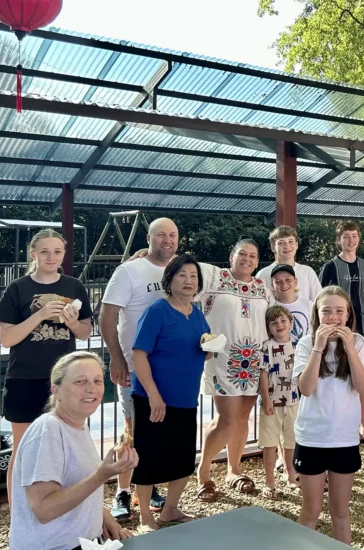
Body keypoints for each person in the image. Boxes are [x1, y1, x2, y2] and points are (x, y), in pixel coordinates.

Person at [0, 229, 92, 505]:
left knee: (65, 445)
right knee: (22, 450)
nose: (51, 257)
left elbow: (84, 332)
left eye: (57, 251)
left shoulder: (74, 287)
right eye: (45, 251)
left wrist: (71, 322)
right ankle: (18, 514)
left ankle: (62, 505)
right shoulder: (18, 289)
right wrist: (40, 314)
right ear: (33, 254)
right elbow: (6, 338)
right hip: (25, 377)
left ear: (63, 254)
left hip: (64, 382)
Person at [8, 351, 136, 550]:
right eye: (80, 381)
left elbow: (73, 485)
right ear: (55, 390)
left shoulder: (76, 425)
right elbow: (44, 509)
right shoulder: (48, 431)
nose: (91, 389)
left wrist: (103, 515)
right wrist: (102, 475)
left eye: (97, 381)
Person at [100, 217, 177, 521]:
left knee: (158, 428)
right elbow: (107, 316)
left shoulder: (181, 270)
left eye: (172, 235)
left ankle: (146, 483)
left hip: (168, 369)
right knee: (132, 429)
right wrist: (115, 357)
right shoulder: (129, 270)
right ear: (148, 238)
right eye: (160, 235)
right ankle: (122, 489)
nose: (166, 241)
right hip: (133, 367)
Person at [130, 254, 212, 530]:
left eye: (193, 277)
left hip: (186, 398)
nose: (189, 281)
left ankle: (170, 509)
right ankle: (145, 516)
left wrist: (210, 348)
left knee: (183, 457)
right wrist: (153, 394)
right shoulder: (157, 311)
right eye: (182, 275)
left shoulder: (197, 312)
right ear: (170, 279)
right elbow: (139, 354)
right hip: (151, 398)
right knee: (149, 457)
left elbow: (204, 346)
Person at [293, 287, 364, 545]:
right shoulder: (307, 343)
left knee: (340, 511)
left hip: (344, 438)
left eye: (339, 311)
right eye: (326, 311)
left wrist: (350, 347)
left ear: (348, 314)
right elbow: (306, 389)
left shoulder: (359, 343)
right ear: (317, 315)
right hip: (312, 438)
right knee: (310, 511)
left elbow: (363, 387)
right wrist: (318, 346)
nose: (333, 317)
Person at [196, 239, 273, 501]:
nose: (248, 259)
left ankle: (233, 470)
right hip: (223, 358)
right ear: (231, 255)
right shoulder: (214, 277)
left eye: (253, 255)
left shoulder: (263, 287)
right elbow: (180, 272)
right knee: (226, 420)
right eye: (243, 253)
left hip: (253, 360)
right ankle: (204, 471)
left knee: (241, 418)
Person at [318, 220, 364, 445]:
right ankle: (340, 427)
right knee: (335, 376)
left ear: (359, 239)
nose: (351, 240)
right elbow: (321, 299)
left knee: (361, 377)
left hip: (360, 328)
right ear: (339, 240)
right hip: (335, 329)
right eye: (346, 236)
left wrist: (356, 317)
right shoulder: (330, 266)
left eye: (354, 236)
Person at [259, 306, 301, 499]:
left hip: (293, 400)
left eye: (283, 321)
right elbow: (264, 373)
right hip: (272, 402)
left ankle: (291, 475)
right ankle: (269, 482)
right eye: (274, 322)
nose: (279, 325)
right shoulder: (266, 347)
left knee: (291, 439)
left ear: (291, 323)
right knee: (270, 442)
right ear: (268, 327)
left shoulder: (298, 345)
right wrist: (266, 399)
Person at [256, 225, 322, 301]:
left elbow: (318, 301)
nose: (287, 246)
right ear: (273, 247)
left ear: (296, 245)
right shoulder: (263, 275)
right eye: (281, 243)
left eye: (291, 241)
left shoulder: (307, 272)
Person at [271, 264, 313, 344]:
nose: (283, 284)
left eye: (288, 280)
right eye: (278, 282)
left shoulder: (308, 304)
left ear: (295, 282)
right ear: (272, 285)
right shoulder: (271, 307)